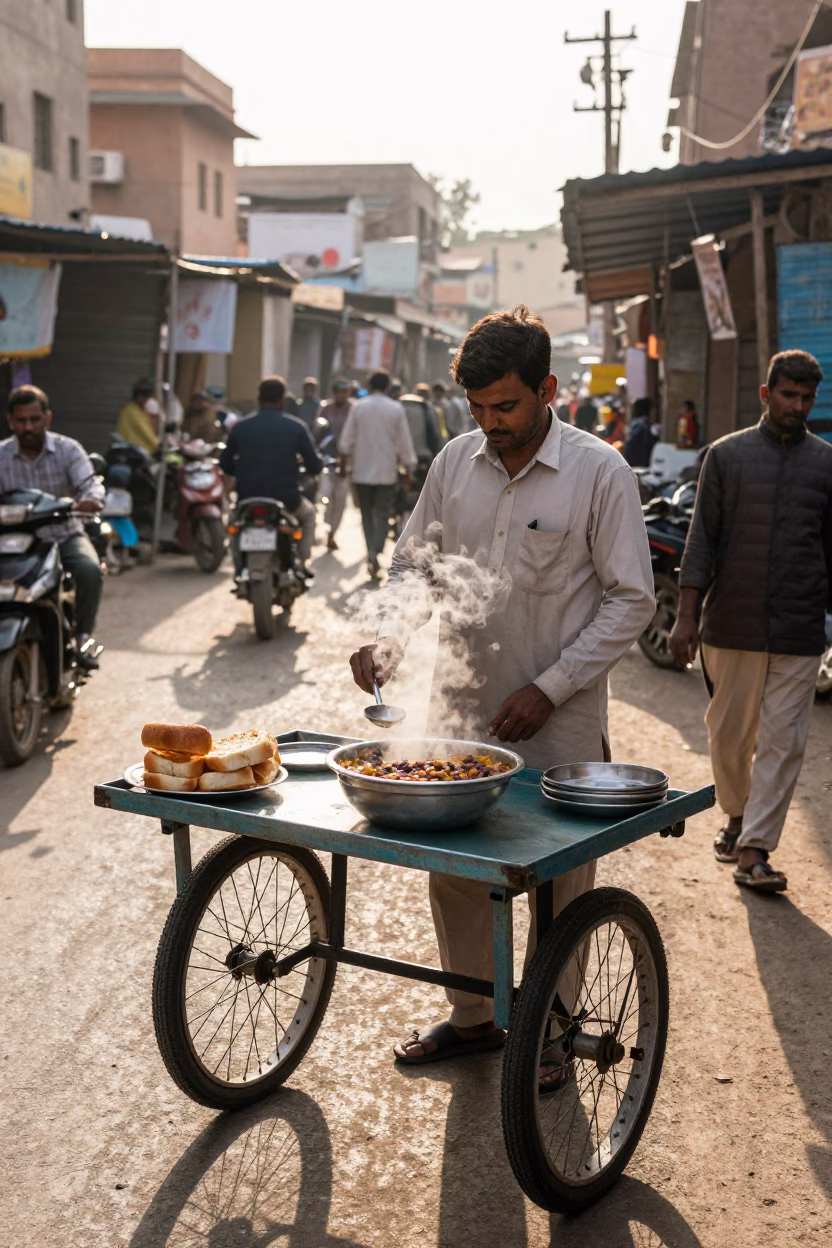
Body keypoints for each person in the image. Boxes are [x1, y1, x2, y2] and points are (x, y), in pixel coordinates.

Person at [349, 306, 654, 1064]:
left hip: (557, 727)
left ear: (548, 388)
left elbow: (632, 602)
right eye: (478, 408)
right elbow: (413, 560)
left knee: (559, 886)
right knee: (455, 871)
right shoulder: (456, 461)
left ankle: (553, 1033)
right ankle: (474, 1016)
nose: (491, 423)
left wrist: (550, 687)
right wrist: (390, 632)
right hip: (461, 717)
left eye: (506, 406)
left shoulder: (599, 471)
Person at [671, 349, 832, 894]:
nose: (799, 406)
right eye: (789, 395)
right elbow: (701, 543)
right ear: (766, 395)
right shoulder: (726, 456)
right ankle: (737, 816)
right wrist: (685, 617)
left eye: (807, 397)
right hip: (732, 623)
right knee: (729, 737)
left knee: (785, 742)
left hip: (801, 627)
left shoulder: (826, 464)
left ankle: (755, 849)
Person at [0, 386, 104, 668]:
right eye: (21, 421)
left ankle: (83, 638)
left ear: (47, 418)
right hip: (13, 542)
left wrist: (91, 500)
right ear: (11, 421)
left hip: (63, 535)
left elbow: (89, 484)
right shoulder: (1, 455)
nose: (28, 427)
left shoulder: (68, 450)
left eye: (34, 420)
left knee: (89, 571)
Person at [219, 376, 322, 568]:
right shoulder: (296, 427)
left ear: (259, 398)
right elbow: (315, 465)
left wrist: (241, 472)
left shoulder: (240, 427)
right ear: (282, 400)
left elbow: (224, 463)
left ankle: (238, 565)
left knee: (232, 523)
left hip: (247, 496)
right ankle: (301, 561)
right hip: (287, 498)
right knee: (309, 516)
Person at [338, 370, 417, 578]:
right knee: (382, 514)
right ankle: (375, 550)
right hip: (385, 473)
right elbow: (404, 443)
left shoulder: (358, 408)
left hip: (361, 473)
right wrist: (408, 468)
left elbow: (346, 441)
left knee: (366, 514)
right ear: (387, 386)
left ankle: (370, 550)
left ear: (370, 385)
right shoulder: (395, 409)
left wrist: (343, 465)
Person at [318, 378, 354, 550]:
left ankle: (332, 533)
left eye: (344, 391)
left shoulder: (354, 409)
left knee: (340, 501)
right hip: (328, 459)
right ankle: (326, 526)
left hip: (347, 462)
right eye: (338, 391)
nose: (341, 395)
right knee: (326, 497)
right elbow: (317, 431)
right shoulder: (326, 409)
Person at [116, 379, 159, 454]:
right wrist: (158, 444)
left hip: (136, 450)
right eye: (145, 396)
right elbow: (145, 430)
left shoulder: (136, 409)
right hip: (133, 451)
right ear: (139, 396)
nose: (146, 400)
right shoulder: (132, 411)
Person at [622, 397, 657, 468]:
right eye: (653, 410)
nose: (655, 412)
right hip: (640, 466)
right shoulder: (643, 426)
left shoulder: (635, 424)